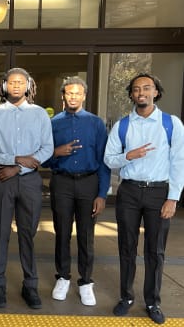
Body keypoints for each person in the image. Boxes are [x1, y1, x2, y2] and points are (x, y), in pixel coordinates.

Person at [104, 73, 184, 325]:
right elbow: (109, 159)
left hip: (159, 192)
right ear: (131, 94)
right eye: (136, 89)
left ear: (156, 93)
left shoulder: (172, 124)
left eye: (147, 88)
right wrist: (129, 155)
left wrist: (173, 198)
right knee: (126, 247)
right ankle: (126, 297)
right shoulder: (123, 125)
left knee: (155, 250)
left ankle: (152, 301)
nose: (141, 92)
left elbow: (179, 163)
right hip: (128, 192)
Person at [0, 67, 53, 309]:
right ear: (4, 86)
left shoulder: (40, 115)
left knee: (28, 233)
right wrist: (15, 158)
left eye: (20, 82)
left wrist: (18, 168)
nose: (16, 86)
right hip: (2, 178)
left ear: (28, 86)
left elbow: (47, 149)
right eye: (11, 82)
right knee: (1, 233)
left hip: (29, 181)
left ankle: (30, 285)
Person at [42, 76, 110, 306]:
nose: (73, 97)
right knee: (61, 232)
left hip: (88, 184)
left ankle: (86, 282)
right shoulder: (53, 124)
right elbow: (43, 159)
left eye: (77, 93)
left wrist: (102, 194)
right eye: (69, 93)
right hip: (61, 182)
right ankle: (62, 277)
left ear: (84, 96)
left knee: (86, 235)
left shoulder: (96, 123)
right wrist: (55, 153)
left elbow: (104, 160)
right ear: (63, 96)